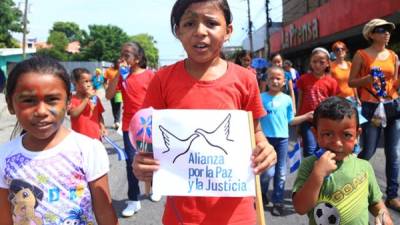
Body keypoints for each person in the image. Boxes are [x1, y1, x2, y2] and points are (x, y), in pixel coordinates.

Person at [132, 0, 277, 224]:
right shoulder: (162, 79)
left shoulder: (245, 79)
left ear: (228, 31)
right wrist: (142, 162)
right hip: (182, 216)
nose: (200, 32)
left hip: (237, 215)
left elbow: (255, 132)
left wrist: (266, 149)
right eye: (189, 23)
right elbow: (147, 138)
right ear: (178, 31)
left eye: (211, 23)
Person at [0, 56, 118, 225]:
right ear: (11, 105)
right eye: (28, 100)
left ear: (68, 101)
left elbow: (104, 212)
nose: (41, 111)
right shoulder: (3, 157)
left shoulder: (88, 149)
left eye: (52, 100)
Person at [292, 96, 393, 225]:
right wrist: (318, 174)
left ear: (357, 135)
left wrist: (384, 215)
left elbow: (375, 202)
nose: (338, 143)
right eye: (328, 134)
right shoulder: (310, 165)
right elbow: (300, 208)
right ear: (315, 134)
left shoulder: (364, 166)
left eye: (346, 135)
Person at [348, 18, 400, 211]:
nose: (387, 33)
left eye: (388, 30)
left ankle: (392, 196)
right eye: (381, 30)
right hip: (371, 108)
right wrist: (367, 79)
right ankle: (353, 185)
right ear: (371, 34)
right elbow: (352, 82)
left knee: (393, 153)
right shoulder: (361, 55)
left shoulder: (393, 55)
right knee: (368, 151)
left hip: (392, 106)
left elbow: (394, 82)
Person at [105, 41, 155, 217]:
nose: (122, 58)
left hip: (148, 126)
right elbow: (109, 95)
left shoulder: (150, 76)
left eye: (127, 55)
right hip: (128, 126)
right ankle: (133, 200)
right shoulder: (123, 77)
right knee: (130, 162)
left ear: (137, 58)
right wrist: (119, 74)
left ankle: (154, 186)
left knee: (150, 159)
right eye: (121, 55)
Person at [259, 66, 313, 216]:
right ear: (266, 80)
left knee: (281, 172)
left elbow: (290, 120)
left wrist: (306, 116)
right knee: (267, 172)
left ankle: (278, 201)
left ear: (284, 82)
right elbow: (255, 119)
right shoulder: (260, 98)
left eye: (278, 78)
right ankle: (262, 194)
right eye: (271, 78)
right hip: (265, 140)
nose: (275, 81)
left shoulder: (287, 99)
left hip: (282, 140)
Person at [297, 47, 339, 157]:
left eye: (321, 62)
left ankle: (322, 172)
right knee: (310, 150)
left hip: (325, 121)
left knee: (323, 149)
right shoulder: (303, 79)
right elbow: (300, 100)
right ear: (310, 63)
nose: (317, 65)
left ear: (327, 64)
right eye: (314, 61)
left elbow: (333, 103)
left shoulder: (332, 82)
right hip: (307, 120)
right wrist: (297, 119)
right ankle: (309, 173)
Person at [69, 67, 106, 140]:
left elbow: (99, 114)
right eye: (86, 81)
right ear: (75, 83)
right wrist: (86, 98)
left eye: (90, 81)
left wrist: (102, 127)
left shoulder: (95, 98)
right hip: (80, 139)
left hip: (96, 137)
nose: (89, 84)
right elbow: (73, 114)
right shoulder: (72, 99)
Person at [104, 60, 122, 129]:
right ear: (114, 63)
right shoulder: (108, 70)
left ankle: (117, 121)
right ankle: (115, 121)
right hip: (111, 91)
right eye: (117, 63)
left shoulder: (121, 71)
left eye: (119, 63)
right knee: (113, 106)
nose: (119, 64)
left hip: (118, 92)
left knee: (118, 106)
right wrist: (106, 88)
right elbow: (105, 80)